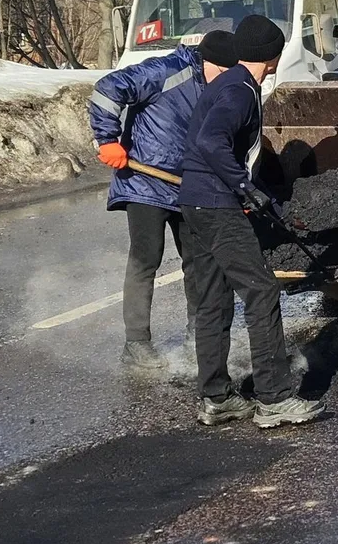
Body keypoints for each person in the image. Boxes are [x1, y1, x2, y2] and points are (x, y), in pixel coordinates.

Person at [179, 15, 324, 428]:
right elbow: (211, 140)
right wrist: (244, 185)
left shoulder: (225, 84)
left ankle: (217, 397)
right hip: (217, 205)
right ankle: (275, 398)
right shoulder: (241, 91)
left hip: (192, 204)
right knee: (261, 291)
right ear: (273, 56)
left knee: (212, 301)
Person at [88, 30, 238, 369]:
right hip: (146, 181)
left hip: (189, 185)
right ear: (207, 60)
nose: (226, 80)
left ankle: (198, 336)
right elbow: (107, 89)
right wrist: (107, 138)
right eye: (223, 72)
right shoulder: (166, 71)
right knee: (146, 258)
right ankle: (136, 344)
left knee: (198, 262)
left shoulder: (222, 85)